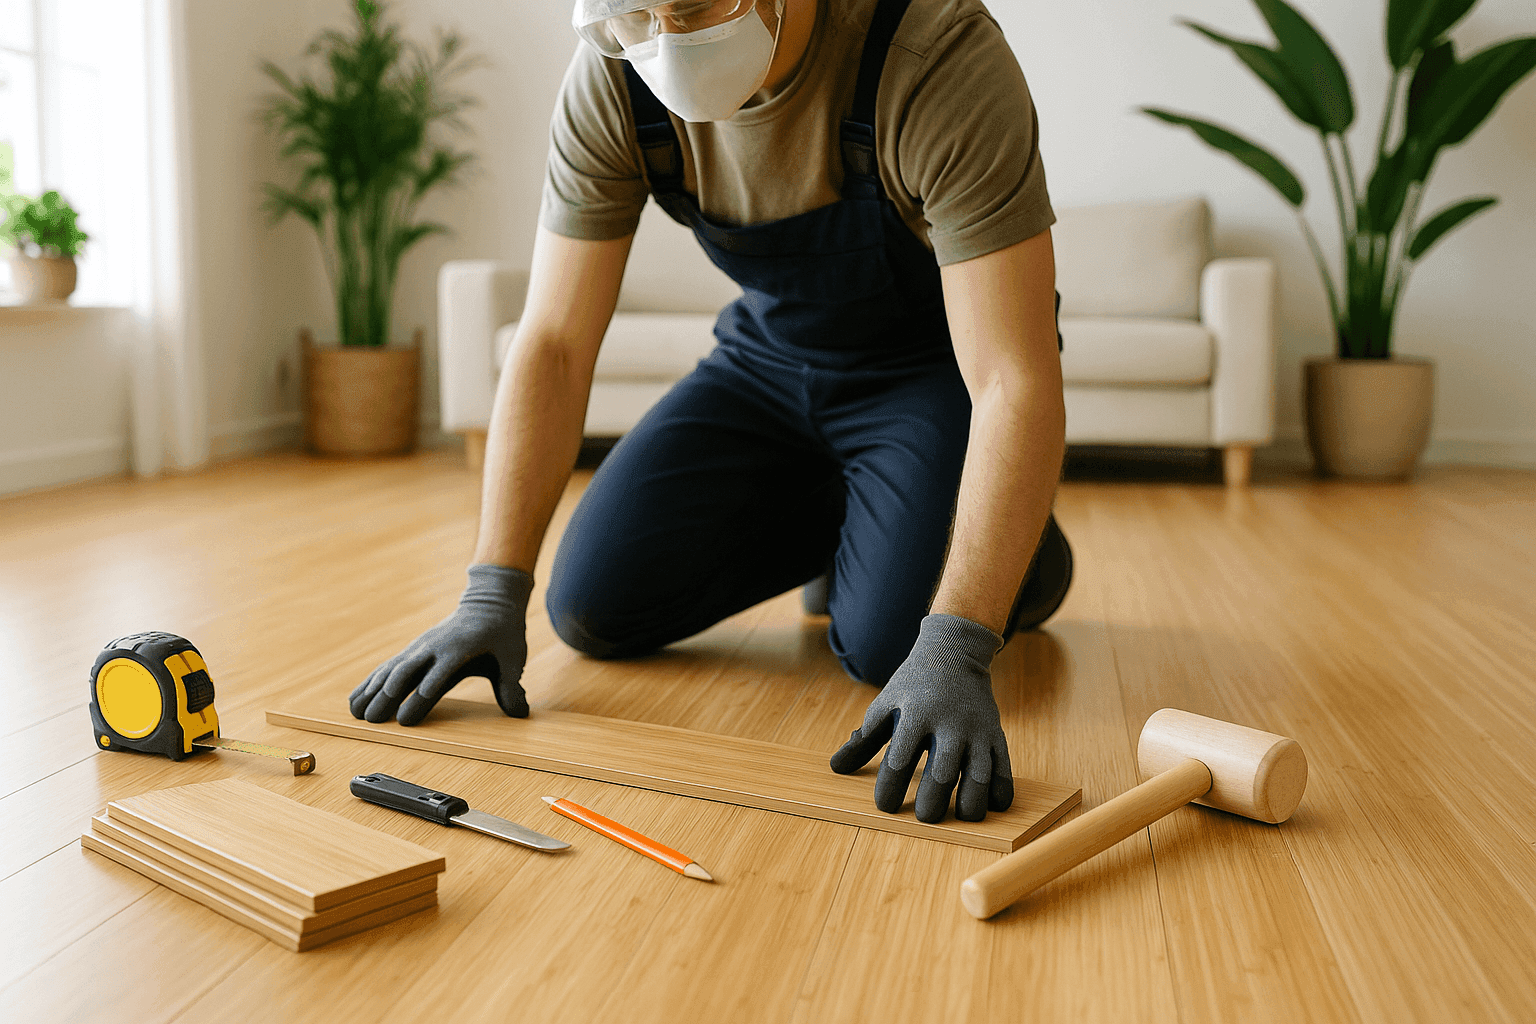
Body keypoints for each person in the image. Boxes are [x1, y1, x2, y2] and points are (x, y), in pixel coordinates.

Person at [349, 0, 1073, 825]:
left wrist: (960, 642)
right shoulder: (616, 77)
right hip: (767, 364)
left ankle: (1021, 549)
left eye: (691, 9)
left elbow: (1012, 377)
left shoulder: (932, 55)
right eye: (636, 14)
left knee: (884, 644)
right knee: (593, 606)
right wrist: (490, 592)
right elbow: (551, 341)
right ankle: (883, 517)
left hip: (930, 375)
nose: (665, 40)